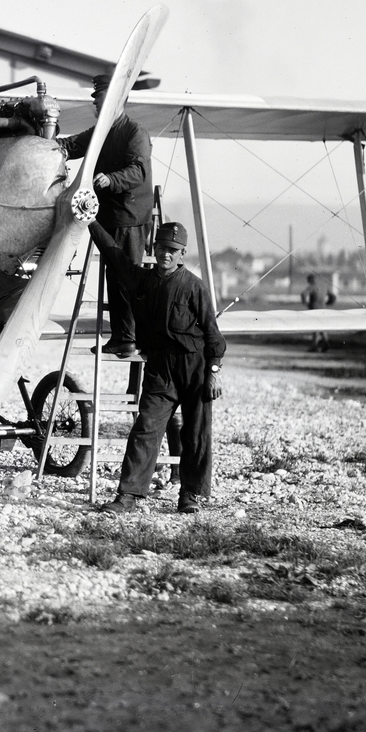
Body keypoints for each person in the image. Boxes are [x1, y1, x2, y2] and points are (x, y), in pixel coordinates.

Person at [85, 219, 225, 514]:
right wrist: (91, 220)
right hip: (160, 369)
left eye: (173, 250)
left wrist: (213, 372)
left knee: (196, 433)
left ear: (182, 253)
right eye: (162, 247)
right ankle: (128, 495)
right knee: (145, 427)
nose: (166, 254)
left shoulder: (194, 287)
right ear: (153, 248)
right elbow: (114, 254)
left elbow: (213, 334)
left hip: (194, 368)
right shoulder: (142, 280)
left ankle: (190, 495)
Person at [57, 74, 152, 358]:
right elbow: (74, 144)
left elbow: (139, 171)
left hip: (130, 217)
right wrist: (51, 142)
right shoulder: (102, 131)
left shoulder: (135, 132)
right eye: (97, 102)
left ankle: (129, 338)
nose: (98, 106)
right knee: (116, 273)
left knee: (126, 276)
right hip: (111, 216)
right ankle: (123, 337)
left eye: (102, 101)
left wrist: (111, 180)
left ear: (118, 101)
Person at [300, 273, 335, 352]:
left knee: (315, 328)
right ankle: (326, 343)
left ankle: (314, 346)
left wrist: (305, 303)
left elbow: (303, 294)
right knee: (322, 327)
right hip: (323, 309)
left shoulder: (312, 286)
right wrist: (329, 303)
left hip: (314, 309)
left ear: (310, 280)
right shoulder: (324, 285)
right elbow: (333, 296)